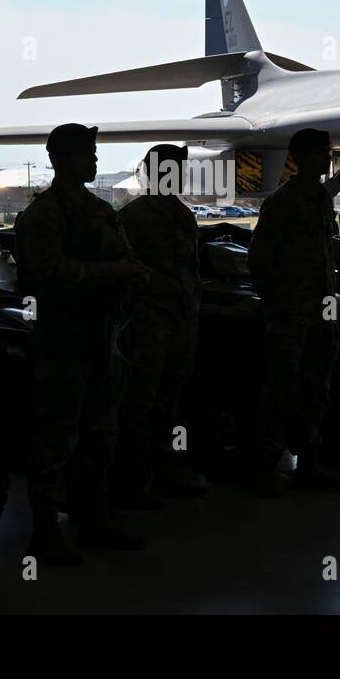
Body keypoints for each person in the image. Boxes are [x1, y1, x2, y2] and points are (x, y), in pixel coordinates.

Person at [15, 123, 151, 564]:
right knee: (55, 440)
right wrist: (113, 275)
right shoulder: (43, 216)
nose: (94, 162)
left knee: (100, 435)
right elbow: (50, 273)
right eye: (85, 154)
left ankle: (93, 520)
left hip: (102, 338)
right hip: (62, 343)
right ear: (60, 159)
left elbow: (129, 260)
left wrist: (128, 277)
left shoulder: (100, 211)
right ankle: (45, 533)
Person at [247, 129, 340, 498]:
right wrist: (279, 305)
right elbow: (259, 259)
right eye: (322, 152)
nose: (327, 158)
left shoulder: (321, 200)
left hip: (321, 312)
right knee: (280, 391)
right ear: (304, 156)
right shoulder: (283, 202)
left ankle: (309, 465)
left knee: (315, 390)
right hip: (291, 313)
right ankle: (264, 469)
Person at [112, 144, 210, 508]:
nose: (178, 175)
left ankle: (166, 466)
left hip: (180, 320)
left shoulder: (183, 215)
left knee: (170, 400)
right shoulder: (134, 217)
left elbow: (191, 270)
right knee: (140, 401)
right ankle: (135, 477)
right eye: (171, 169)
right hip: (150, 323)